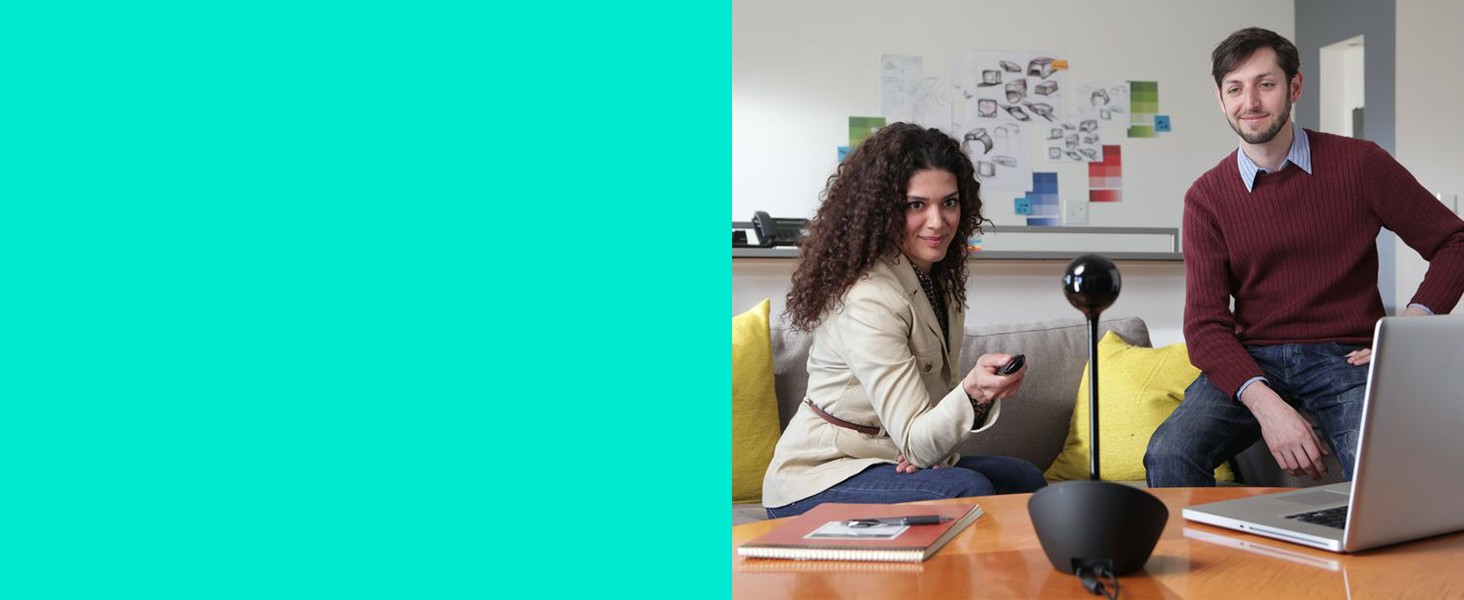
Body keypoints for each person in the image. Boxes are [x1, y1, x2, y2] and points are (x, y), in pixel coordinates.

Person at [1144, 27, 1464, 487]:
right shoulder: (1206, 198)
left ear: (1295, 86)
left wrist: (1408, 327)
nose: (1250, 102)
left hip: (1347, 355)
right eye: (1235, 89)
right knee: (1169, 454)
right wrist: (1267, 406)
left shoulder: (1362, 164)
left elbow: (1454, 242)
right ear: (1220, 98)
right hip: (1254, 361)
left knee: (1380, 471)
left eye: (1265, 84)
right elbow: (1205, 326)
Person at [761, 122, 1047, 518]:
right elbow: (917, 440)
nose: (937, 221)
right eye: (916, 205)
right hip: (822, 475)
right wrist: (974, 393)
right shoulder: (868, 297)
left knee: (1023, 479)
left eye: (949, 202)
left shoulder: (938, 281)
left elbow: (920, 431)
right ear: (883, 210)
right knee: (968, 490)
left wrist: (925, 450)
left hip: (890, 457)